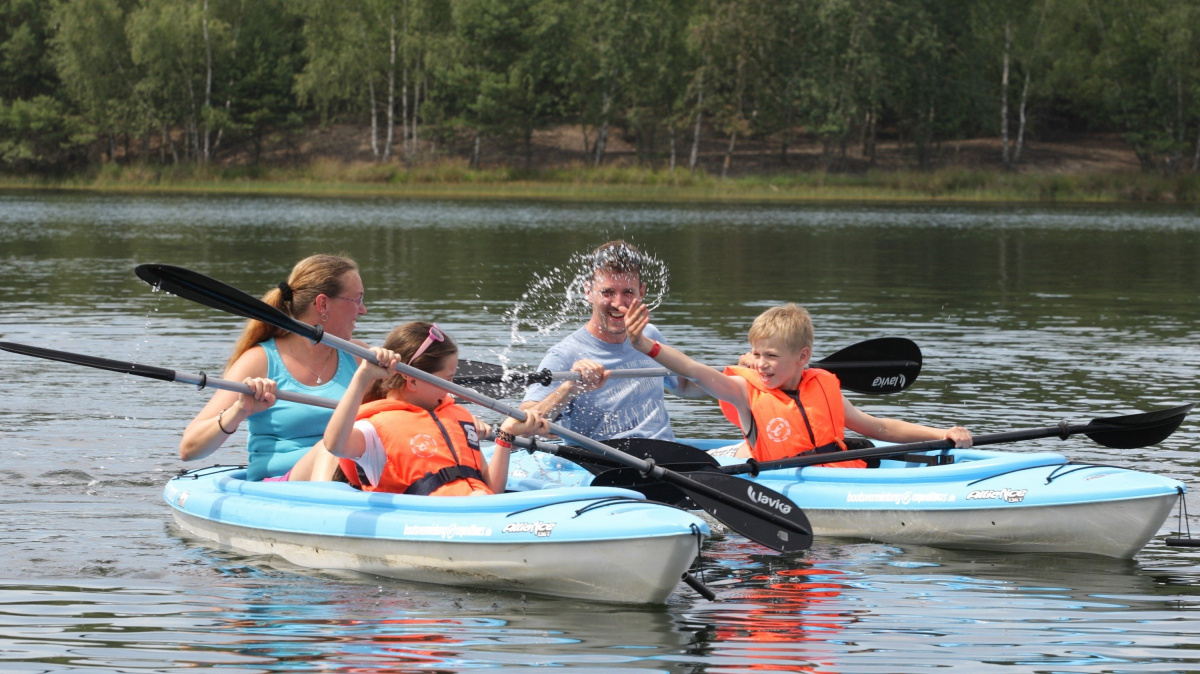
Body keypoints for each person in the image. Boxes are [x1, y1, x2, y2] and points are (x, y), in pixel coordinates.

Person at [625, 301, 972, 466]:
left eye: (772, 356)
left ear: (802, 357)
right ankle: (732, 453)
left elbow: (879, 427)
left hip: (836, 469)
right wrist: (647, 346)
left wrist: (941, 433)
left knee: (860, 438)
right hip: (781, 477)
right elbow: (695, 370)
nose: (761, 364)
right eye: (757, 354)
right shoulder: (744, 391)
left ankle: (737, 450)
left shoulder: (822, 386)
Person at [179, 254, 369, 481]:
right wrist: (239, 411)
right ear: (323, 304)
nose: (363, 310)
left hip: (345, 479)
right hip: (277, 486)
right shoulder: (259, 361)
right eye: (357, 300)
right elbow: (189, 449)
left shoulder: (360, 358)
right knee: (330, 448)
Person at [318, 321, 551, 495]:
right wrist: (363, 377)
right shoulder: (372, 431)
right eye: (446, 380)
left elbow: (491, 488)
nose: (452, 389)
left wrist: (506, 434)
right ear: (413, 380)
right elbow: (334, 444)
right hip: (433, 522)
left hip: (481, 510)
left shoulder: (457, 416)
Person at [520, 241, 706, 442]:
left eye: (628, 292)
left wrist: (737, 374)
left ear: (641, 292)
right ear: (588, 292)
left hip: (664, 456)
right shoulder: (565, 354)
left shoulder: (650, 335)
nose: (618, 303)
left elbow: (685, 385)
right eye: (607, 293)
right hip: (603, 464)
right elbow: (522, 428)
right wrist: (568, 388)